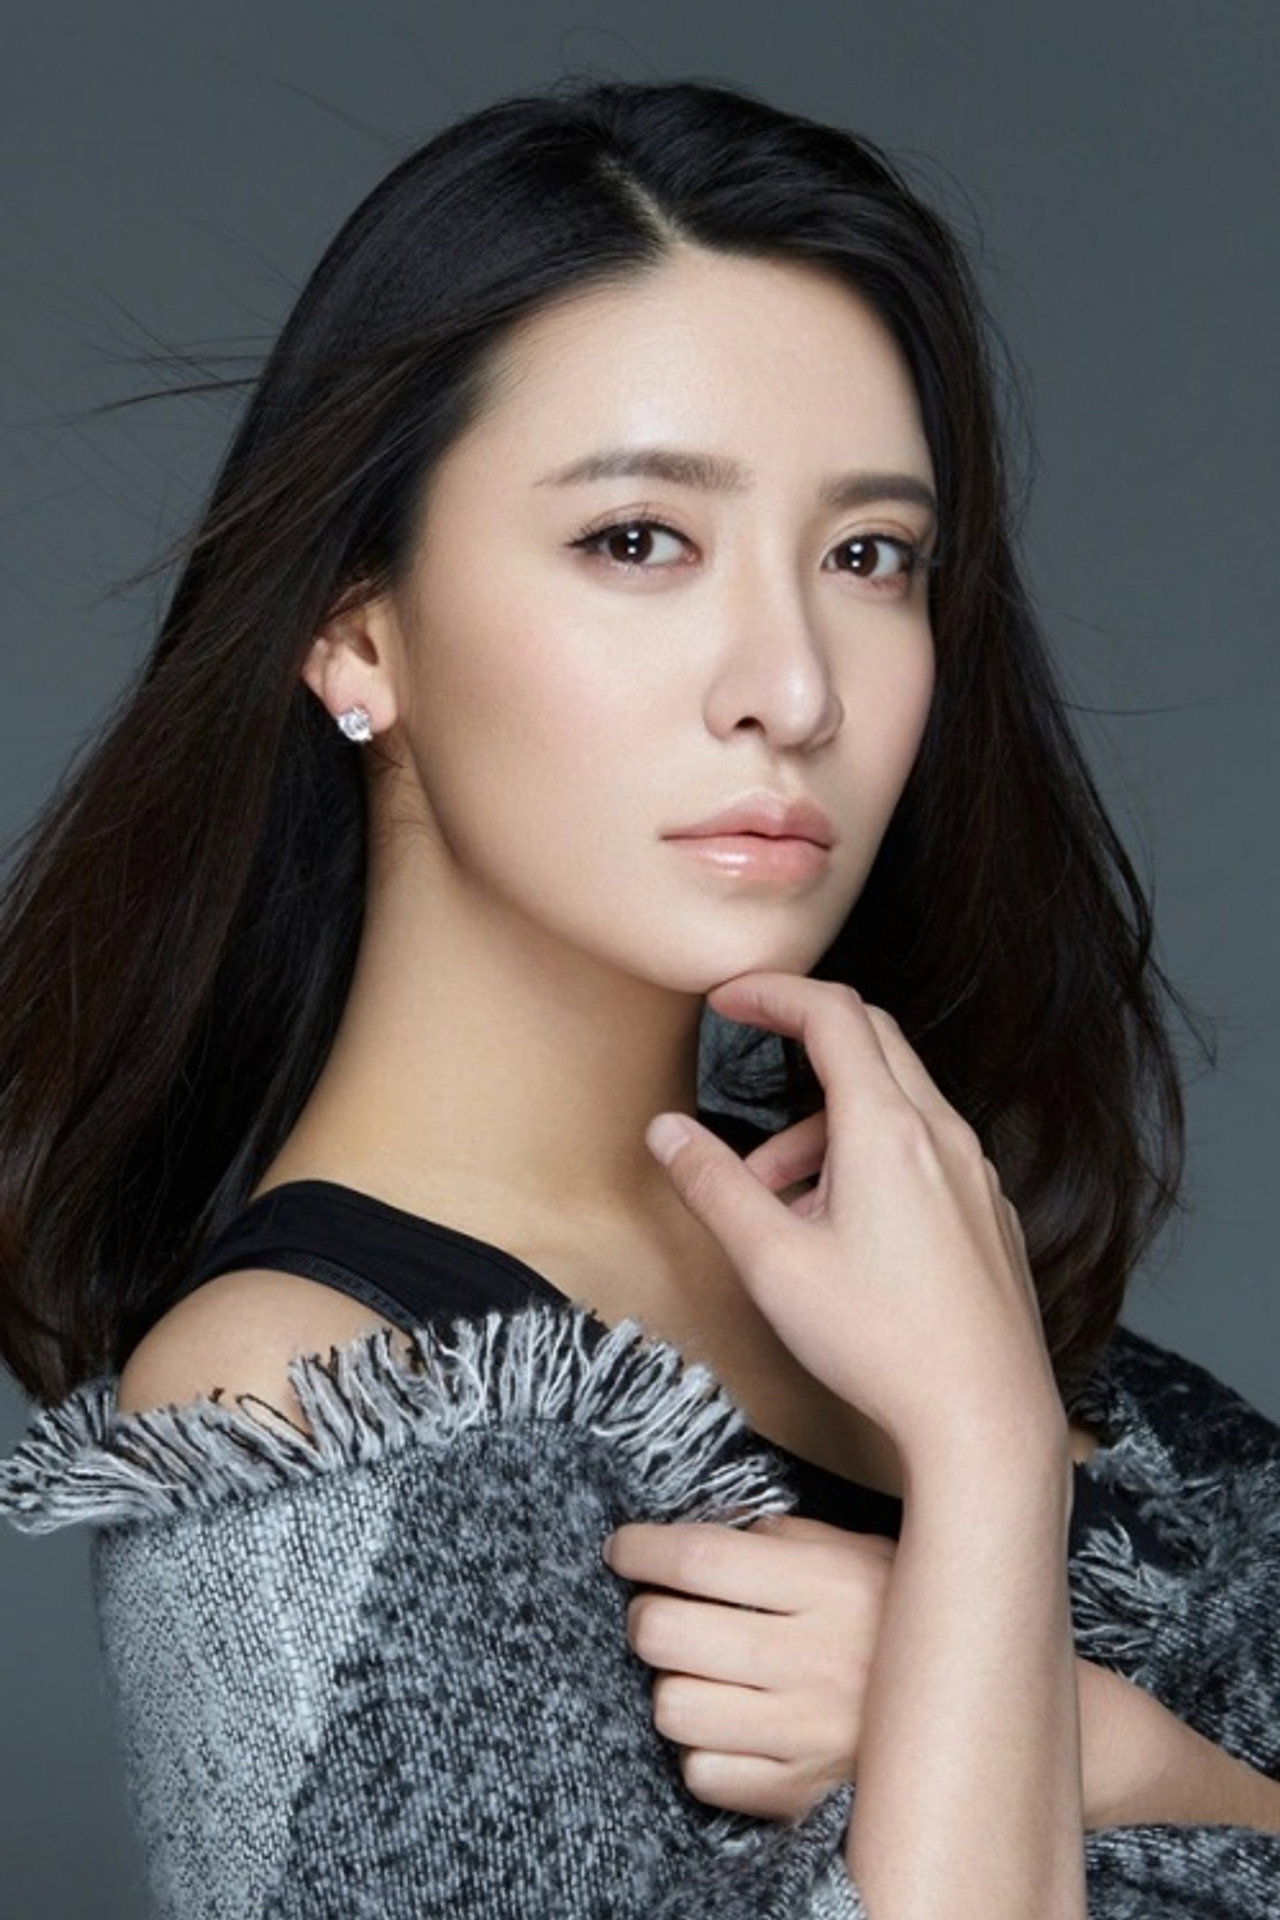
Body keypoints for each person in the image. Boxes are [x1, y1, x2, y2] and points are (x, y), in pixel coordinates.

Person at [0, 74, 1277, 1920]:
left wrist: (1127, 1753)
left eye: (868, 557)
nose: (794, 688)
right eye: (638, 541)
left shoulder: (905, 1247)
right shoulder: (306, 1418)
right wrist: (989, 1482)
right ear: (356, 628)